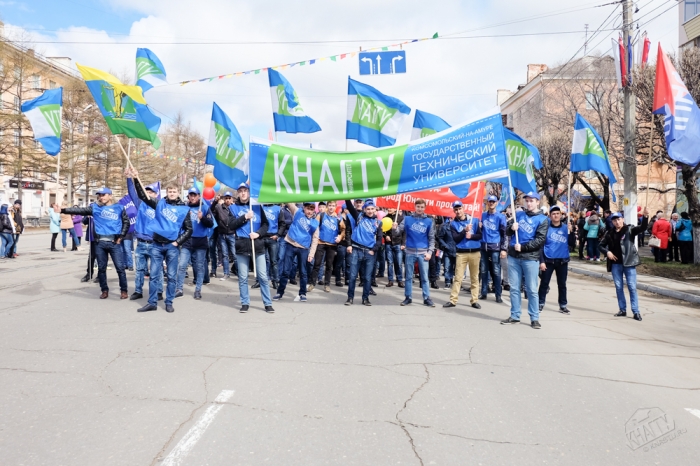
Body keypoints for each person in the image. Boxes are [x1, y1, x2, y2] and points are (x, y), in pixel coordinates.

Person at [131, 169, 193, 313]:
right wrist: (136, 179)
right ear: (167, 192)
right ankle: (152, 302)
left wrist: (177, 242)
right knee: (153, 276)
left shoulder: (184, 209)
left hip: (172, 247)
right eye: (170, 191)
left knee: (171, 277)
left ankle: (169, 302)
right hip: (157, 245)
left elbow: (189, 230)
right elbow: (143, 196)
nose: (172, 193)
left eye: (174, 191)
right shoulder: (159, 204)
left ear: (178, 193)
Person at [60, 189, 130, 299]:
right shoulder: (95, 208)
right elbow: (80, 210)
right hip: (99, 243)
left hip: (114, 243)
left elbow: (126, 222)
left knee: (120, 268)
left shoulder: (119, 208)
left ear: (110, 196)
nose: (101, 197)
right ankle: (104, 290)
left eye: (103, 195)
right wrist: (63, 210)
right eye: (99, 195)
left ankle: (124, 291)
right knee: (101, 268)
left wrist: (121, 237)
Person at [500, 192, 548, 329]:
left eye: (532, 200)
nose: (529, 203)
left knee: (532, 289)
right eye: (527, 200)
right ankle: (515, 315)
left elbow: (540, 240)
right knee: (514, 288)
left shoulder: (543, 219)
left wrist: (523, 247)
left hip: (530, 258)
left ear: (537, 202)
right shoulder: (519, 215)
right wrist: (511, 228)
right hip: (514, 257)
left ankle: (534, 318)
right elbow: (507, 231)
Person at [228, 183, 275, 313]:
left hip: (257, 245)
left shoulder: (257, 206)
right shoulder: (233, 208)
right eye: (240, 191)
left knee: (263, 277)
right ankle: (245, 302)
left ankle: (267, 303)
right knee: (243, 277)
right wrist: (245, 217)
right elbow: (231, 225)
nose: (243, 193)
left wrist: (258, 233)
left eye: (245, 190)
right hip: (242, 245)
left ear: (248, 192)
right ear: (238, 193)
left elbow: (265, 225)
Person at [599, 209, 649, 321]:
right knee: (619, 287)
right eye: (614, 220)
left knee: (632, 287)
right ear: (612, 222)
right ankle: (622, 309)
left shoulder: (629, 229)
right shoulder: (609, 233)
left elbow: (642, 228)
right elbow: (600, 245)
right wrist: (607, 252)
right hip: (616, 264)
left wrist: (645, 217)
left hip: (629, 263)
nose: (617, 222)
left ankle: (636, 311)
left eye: (619, 219)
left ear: (623, 219)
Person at [125, 174, 163, 302]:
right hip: (141, 243)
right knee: (140, 269)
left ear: (156, 194)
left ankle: (159, 291)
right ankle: (138, 291)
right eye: (146, 191)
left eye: (151, 192)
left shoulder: (160, 206)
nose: (148, 193)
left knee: (157, 270)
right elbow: (132, 192)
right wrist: (129, 178)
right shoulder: (140, 203)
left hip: (155, 244)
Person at [274, 202, 319, 302]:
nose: (309, 211)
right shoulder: (297, 212)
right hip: (291, 245)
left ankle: (302, 293)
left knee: (303, 272)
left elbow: (315, 239)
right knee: (286, 271)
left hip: (303, 248)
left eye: (312, 209)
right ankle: (280, 292)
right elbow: (289, 203)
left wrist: (311, 254)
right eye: (308, 209)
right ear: (304, 208)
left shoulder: (315, 223)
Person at [175, 186, 214, 301]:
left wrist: (202, 218)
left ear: (199, 196)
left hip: (201, 241)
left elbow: (211, 224)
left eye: (194, 195)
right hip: (187, 241)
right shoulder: (185, 208)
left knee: (199, 267)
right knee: (182, 265)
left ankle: (198, 290)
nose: (192, 197)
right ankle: (179, 289)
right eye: (190, 195)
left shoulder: (205, 208)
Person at [395, 198, 436, 307]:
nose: (420, 209)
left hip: (423, 253)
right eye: (418, 207)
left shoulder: (429, 221)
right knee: (408, 277)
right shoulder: (407, 219)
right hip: (410, 252)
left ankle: (426, 298)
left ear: (425, 208)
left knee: (425, 277)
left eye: (422, 207)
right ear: (415, 207)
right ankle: (408, 297)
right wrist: (394, 228)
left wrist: (430, 252)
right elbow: (398, 232)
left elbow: (432, 238)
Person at [443, 201, 482, 309]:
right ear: (453, 211)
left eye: (459, 208)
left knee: (474, 278)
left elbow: (480, 235)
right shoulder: (453, 224)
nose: (458, 211)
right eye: (456, 209)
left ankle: (474, 300)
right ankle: (453, 300)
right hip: (461, 253)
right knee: (458, 278)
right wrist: (464, 231)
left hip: (475, 252)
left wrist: (472, 236)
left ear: (463, 208)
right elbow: (456, 239)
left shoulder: (474, 220)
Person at [344, 199, 383, 306]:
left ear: (375, 210)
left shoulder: (378, 223)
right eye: (368, 209)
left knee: (367, 277)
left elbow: (379, 239)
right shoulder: (359, 217)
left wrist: (373, 250)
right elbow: (350, 207)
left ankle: (365, 298)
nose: (370, 211)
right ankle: (350, 298)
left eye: (372, 209)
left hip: (369, 252)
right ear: (364, 209)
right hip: (356, 250)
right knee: (352, 276)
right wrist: (347, 196)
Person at [538, 206, 571, 314]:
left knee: (562, 284)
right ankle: (540, 303)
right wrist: (542, 261)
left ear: (561, 215)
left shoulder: (566, 228)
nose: (556, 215)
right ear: (550, 216)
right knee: (544, 283)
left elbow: (572, 244)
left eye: (557, 213)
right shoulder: (546, 228)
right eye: (553, 214)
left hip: (562, 260)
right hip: (549, 260)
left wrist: (571, 232)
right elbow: (540, 246)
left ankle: (563, 305)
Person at [309, 200, 345, 293]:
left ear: (335, 207)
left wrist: (340, 237)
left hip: (332, 244)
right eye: (329, 205)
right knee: (317, 264)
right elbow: (314, 226)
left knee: (329, 265)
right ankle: (312, 283)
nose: (331, 207)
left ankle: (327, 284)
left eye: (333, 206)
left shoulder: (338, 218)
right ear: (327, 206)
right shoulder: (321, 215)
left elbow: (343, 230)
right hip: (320, 242)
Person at [479, 195, 508, 303]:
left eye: (493, 202)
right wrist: (479, 227)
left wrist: (504, 249)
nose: (491, 203)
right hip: (484, 247)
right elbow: (478, 232)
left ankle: (498, 294)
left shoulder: (500, 217)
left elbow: (504, 234)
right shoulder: (483, 215)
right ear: (487, 203)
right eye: (489, 201)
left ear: (496, 203)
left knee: (496, 271)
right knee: (483, 270)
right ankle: (483, 292)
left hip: (495, 247)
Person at [211, 192, 237, 280]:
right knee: (225, 255)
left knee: (235, 255)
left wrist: (235, 232)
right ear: (224, 199)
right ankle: (226, 273)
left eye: (229, 198)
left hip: (232, 234)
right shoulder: (219, 207)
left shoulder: (234, 208)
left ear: (232, 199)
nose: (228, 200)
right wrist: (215, 201)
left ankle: (240, 272)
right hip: (222, 234)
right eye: (226, 198)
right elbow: (211, 210)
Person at [384, 207, 405, 288]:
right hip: (388, 243)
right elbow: (382, 230)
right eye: (388, 207)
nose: (389, 209)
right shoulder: (385, 218)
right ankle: (390, 280)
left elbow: (404, 232)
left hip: (398, 243)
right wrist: (385, 236)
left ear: (396, 208)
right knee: (390, 263)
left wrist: (403, 243)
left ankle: (400, 280)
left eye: (391, 207)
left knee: (399, 263)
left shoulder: (401, 218)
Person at [436, 215, 456, 289]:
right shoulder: (445, 227)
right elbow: (440, 237)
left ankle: (453, 280)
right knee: (447, 267)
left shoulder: (460, 227)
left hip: (457, 250)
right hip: (447, 250)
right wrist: (445, 245)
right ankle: (447, 282)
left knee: (456, 268)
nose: (452, 219)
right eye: (451, 218)